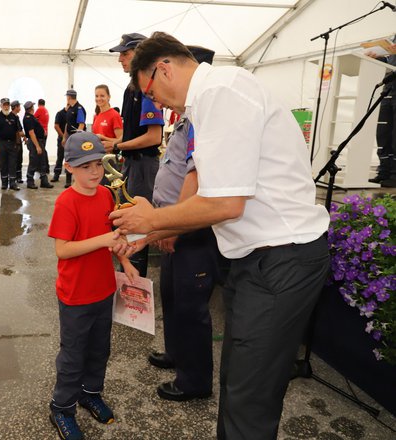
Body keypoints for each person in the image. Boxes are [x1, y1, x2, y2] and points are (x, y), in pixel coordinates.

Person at [110, 32, 331, 440]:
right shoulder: (210, 100)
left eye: (150, 91)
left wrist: (153, 220)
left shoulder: (222, 94)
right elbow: (204, 185)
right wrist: (150, 231)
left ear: (164, 68)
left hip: (282, 258)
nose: (152, 103)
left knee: (249, 397)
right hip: (260, 259)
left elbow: (226, 204)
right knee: (237, 379)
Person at [138, 46, 221, 404]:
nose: (159, 100)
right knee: (171, 296)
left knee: (190, 306)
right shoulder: (187, 117)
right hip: (173, 221)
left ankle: (194, 379)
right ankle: (177, 352)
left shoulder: (206, 115)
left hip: (189, 227)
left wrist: (172, 225)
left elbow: (195, 175)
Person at [48, 131, 138, 440]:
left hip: (104, 290)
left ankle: (90, 393)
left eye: (98, 163)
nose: (95, 172)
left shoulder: (105, 195)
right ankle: (62, 407)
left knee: (100, 349)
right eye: (86, 166)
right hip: (75, 295)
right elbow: (62, 249)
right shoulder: (66, 203)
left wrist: (125, 263)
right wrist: (103, 240)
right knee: (73, 355)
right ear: (70, 167)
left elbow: (115, 239)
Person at [108, 33, 165, 278]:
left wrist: (119, 146)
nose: (120, 58)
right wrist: (114, 142)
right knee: (129, 219)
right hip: (133, 163)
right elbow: (133, 134)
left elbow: (154, 137)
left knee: (138, 222)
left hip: (143, 165)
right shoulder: (130, 89)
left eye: (125, 53)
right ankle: (129, 277)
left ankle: (136, 283)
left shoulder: (146, 90)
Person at [366, 35, 396, 187]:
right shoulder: (392, 38)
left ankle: (394, 174)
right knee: (382, 133)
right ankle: (383, 171)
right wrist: (376, 57)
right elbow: (388, 63)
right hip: (388, 90)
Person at [0, 98, 21, 190]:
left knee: (12, 164)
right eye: (4, 105)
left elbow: (17, 132)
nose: (6, 106)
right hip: (1, 144)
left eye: (7, 104)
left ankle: (13, 183)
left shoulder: (14, 117)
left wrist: (17, 143)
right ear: (1, 106)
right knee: (3, 164)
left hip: (12, 143)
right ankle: (4, 183)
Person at [23, 101, 53, 189]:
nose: (34, 108)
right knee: (34, 161)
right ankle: (30, 180)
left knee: (42, 161)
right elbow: (31, 133)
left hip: (39, 141)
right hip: (35, 142)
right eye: (32, 106)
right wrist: (37, 146)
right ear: (30, 108)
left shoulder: (31, 117)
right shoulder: (28, 118)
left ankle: (44, 180)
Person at [62, 89, 86, 188]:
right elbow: (67, 124)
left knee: (78, 158)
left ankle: (79, 179)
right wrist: (64, 137)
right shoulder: (70, 109)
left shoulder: (79, 108)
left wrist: (76, 139)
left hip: (76, 138)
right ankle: (68, 180)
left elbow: (81, 124)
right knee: (69, 158)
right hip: (69, 137)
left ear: (69, 97)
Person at [51, 105, 68, 182]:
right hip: (62, 139)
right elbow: (56, 126)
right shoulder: (60, 113)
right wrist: (63, 136)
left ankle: (69, 178)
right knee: (60, 157)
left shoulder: (73, 113)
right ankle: (56, 174)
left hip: (71, 139)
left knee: (70, 158)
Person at [34, 98, 50, 176]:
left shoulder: (39, 109)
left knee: (41, 150)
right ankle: (45, 167)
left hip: (40, 133)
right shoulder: (46, 110)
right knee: (43, 149)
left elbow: (33, 119)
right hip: (45, 132)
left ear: (38, 103)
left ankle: (43, 167)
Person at [11, 100, 25, 184]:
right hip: (15, 142)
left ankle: (18, 177)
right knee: (15, 160)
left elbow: (20, 129)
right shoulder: (11, 117)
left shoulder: (16, 117)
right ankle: (15, 177)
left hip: (18, 141)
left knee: (19, 159)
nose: (20, 108)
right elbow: (17, 130)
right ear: (15, 107)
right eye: (19, 106)